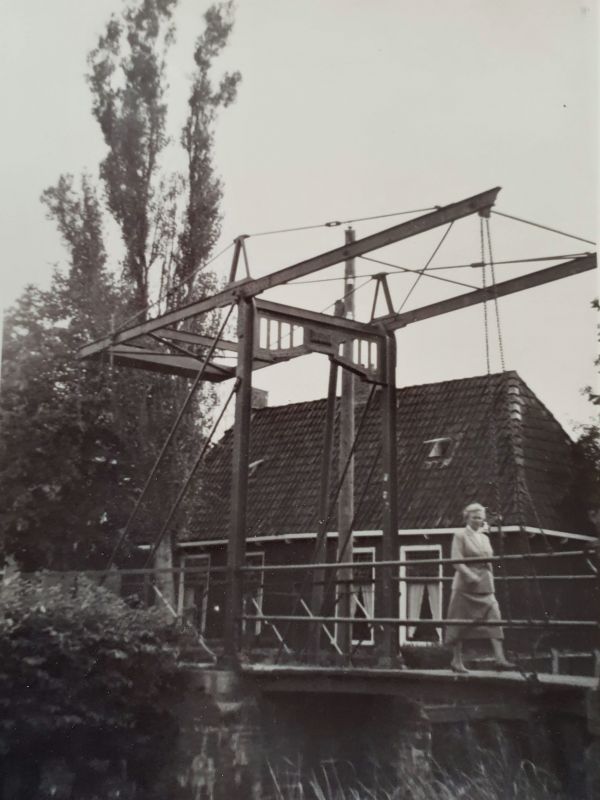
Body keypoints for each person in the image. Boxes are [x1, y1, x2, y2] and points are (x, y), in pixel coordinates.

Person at [446, 502, 515, 673]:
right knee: (459, 622)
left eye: (481, 518)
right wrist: (470, 576)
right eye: (475, 517)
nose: (478, 521)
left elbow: (489, 560)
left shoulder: (485, 538)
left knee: (495, 616)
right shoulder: (460, 535)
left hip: (485, 585)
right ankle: (456, 660)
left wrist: (491, 578)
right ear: (467, 518)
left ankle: (499, 659)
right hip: (465, 586)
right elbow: (456, 560)